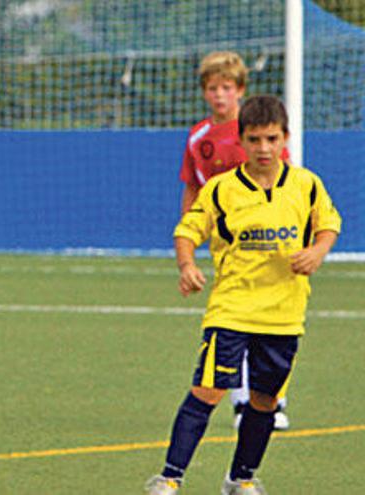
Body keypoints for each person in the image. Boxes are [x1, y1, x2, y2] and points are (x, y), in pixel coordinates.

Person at [146, 95, 341, 495]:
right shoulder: (221, 190)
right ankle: (169, 478)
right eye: (254, 140)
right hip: (231, 310)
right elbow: (187, 230)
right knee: (208, 391)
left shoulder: (306, 186)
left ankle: (241, 479)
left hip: (284, 315)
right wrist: (187, 265)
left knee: (265, 402)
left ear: (285, 138)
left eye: (272, 139)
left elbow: (329, 224)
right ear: (242, 140)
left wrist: (318, 251)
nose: (264, 148)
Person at [178, 52, 292, 431]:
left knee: (269, 321)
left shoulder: (257, 131)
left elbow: (285, 179)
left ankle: (268, 397)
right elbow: (193, 188)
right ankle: (245, 404)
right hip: (228, 246)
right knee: (234, 321)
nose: (220, 96)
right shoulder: (199, 137)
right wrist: (189, 238)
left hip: (267, 241)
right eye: (213, 88)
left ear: (240, 89)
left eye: (227, 87)